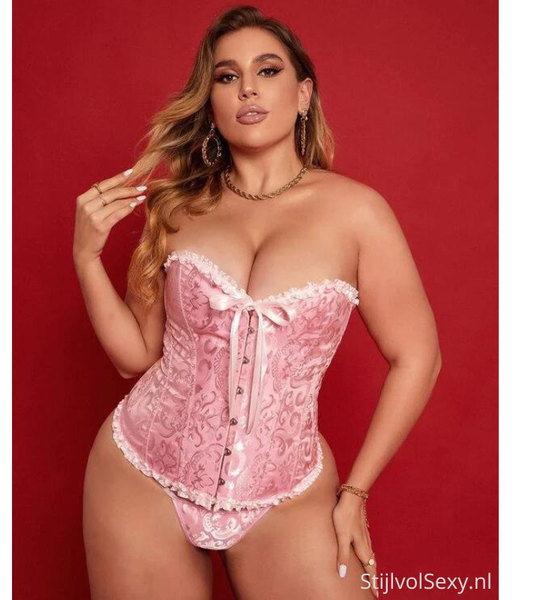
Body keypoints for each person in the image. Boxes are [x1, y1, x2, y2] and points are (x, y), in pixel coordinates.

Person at [73, 6, 442, 599]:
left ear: (303, 95)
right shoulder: (176, 208)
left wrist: (355, 492)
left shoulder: (357, 213)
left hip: (286, 493)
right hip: (143, 474)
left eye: (267, 71)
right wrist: (87, 256)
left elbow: (418, 357)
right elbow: (133, 357)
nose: (247, 87)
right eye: (227, 76)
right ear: (212, 103)